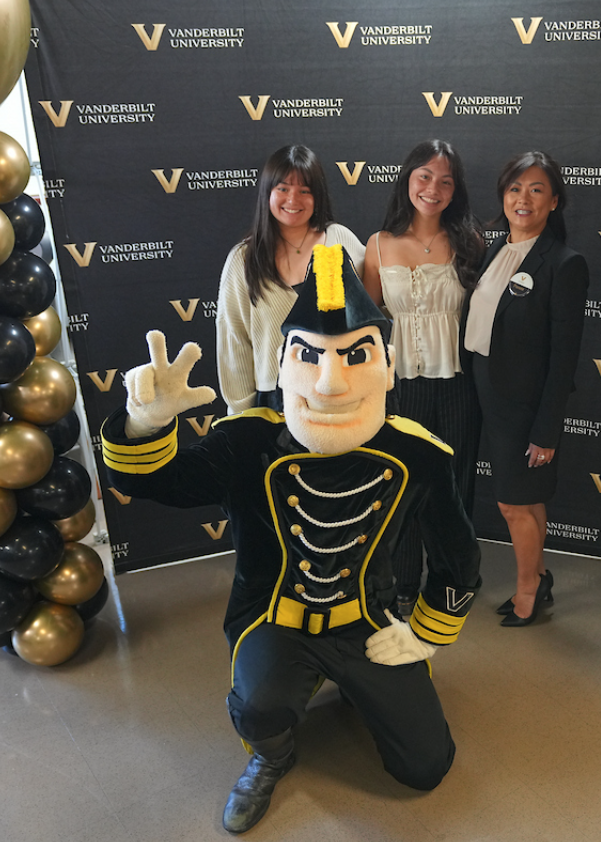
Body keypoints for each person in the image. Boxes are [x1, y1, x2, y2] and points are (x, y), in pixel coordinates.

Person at [102, 244, 481, 834]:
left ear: (385, 365)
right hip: (273, 618)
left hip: (369, 620)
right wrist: (144, 425)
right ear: (283, 363)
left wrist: (427, 632)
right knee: (258, 705)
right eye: (311, 355)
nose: (330, 384)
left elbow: (459, 557)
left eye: (354, 357)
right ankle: (272, 754)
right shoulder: (247, 443)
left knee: (426, 768)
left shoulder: (417, 454)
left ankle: (367, 690)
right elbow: (158, 483)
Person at [460, 151, 589, 627]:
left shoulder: (564, 263)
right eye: (516, 188)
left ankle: (527, 593)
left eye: (537, 189)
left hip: (522, 403)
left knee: (514, 503)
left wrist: (547, 430)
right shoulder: (494, 249)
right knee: (529, 499)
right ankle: (538, 577)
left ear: (554, 201)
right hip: (482, 384)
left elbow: (563, 357)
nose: (524, 198)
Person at [363, 139, 484, 617]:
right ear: (408, 179)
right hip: (399, 387)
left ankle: (452, 582)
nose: (434, 188)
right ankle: (404, 583)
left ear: (455, 191)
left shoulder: (470, 241)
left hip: (457, 384)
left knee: (453, 487)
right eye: (425, 176)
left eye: (446, 181)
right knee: (402, 484)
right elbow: (370, 324)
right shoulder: (377, 244)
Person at [217, 145, 366, 413]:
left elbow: (372, 317)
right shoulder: (244, 259)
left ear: (317, 196)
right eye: (283, 188)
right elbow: (234, 340)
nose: (293, 199)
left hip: (338, 389)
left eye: (304, 190)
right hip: (274, 398)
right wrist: (241, 415)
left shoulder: (341, 242)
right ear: (267, 192)